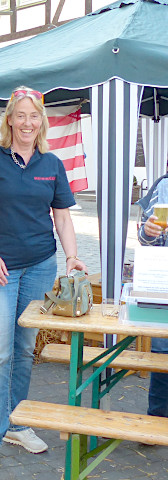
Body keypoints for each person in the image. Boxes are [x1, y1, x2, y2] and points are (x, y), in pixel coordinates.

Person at [0, 86, 87, 475]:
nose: (27, 123)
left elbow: (62, 217)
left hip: (39, 266)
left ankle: (15, 422)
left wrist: (71, 256)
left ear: (42, 122)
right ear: (9, 120)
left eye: (34, 116)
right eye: (20, 115)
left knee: (23, 349)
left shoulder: (52, 163)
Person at [136, 173, 168, 418]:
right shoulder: (165, 186)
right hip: (163, 284)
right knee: (162, 354)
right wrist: (147, 232)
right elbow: (144, 239)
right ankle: (157, 418)